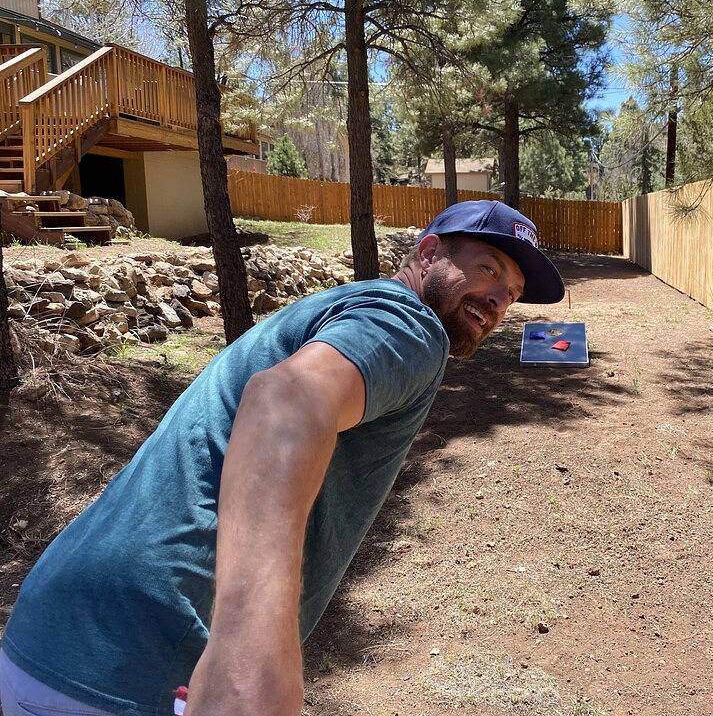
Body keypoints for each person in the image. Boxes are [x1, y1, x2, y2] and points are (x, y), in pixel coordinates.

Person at [0, 200, 565, 716]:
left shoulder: (346, 306)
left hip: (49, 634)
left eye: (511, 292)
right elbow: (284, 404)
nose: (497, 299)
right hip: (138, 664)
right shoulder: (408, 325)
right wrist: (247, 659)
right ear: (427, 251)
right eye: (489, 268)